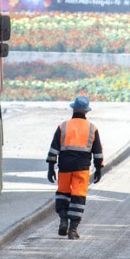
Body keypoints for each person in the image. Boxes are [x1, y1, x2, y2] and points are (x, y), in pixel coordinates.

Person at [46, 96, 104, 240]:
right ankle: (72, 230)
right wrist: (98, 168)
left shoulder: (63, 126)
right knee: (78, 197)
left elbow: (54, 149)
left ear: (73, 109)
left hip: (64, 167)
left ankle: (63, 219)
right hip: (82, 168)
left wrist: (51, 167)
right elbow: (97, 152)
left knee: (62, 193)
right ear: (86, 111)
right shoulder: (92, 128)